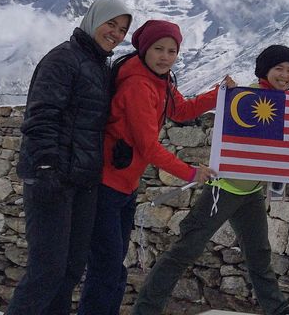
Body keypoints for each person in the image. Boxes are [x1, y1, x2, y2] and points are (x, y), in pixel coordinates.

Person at [77, 19, 234, 315]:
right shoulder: (138, 85)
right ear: (144, 49)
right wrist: (191, 173)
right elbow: (148, 146)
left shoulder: (160, 80)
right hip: (106, 185)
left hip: (124, 185)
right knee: (107, 270)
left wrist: (219, 94)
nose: (165, 56)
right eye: (158, 49)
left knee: (111, 269)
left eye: (172, 50)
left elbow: (181, 110)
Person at [131, 44, 289, 315]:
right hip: (223, 190)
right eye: (278, 68)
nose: (285, 75)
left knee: (259, 257)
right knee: (185, 251)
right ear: (264, 71)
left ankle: (280, 312)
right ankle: (145, 310)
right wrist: (225, 94)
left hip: (251, 192)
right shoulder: (246, 98)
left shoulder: (288, 104)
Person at [6, 0, 133, 315]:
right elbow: (41, 116)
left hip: (84, 180)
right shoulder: (63, 59)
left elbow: (92, 121)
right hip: (52, 178)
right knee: (46, 271)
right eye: (111, 25)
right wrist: (46, 166)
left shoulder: (98, 65)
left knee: (71, 269)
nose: (116, 34)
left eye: (122, 30)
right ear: (93, 20)